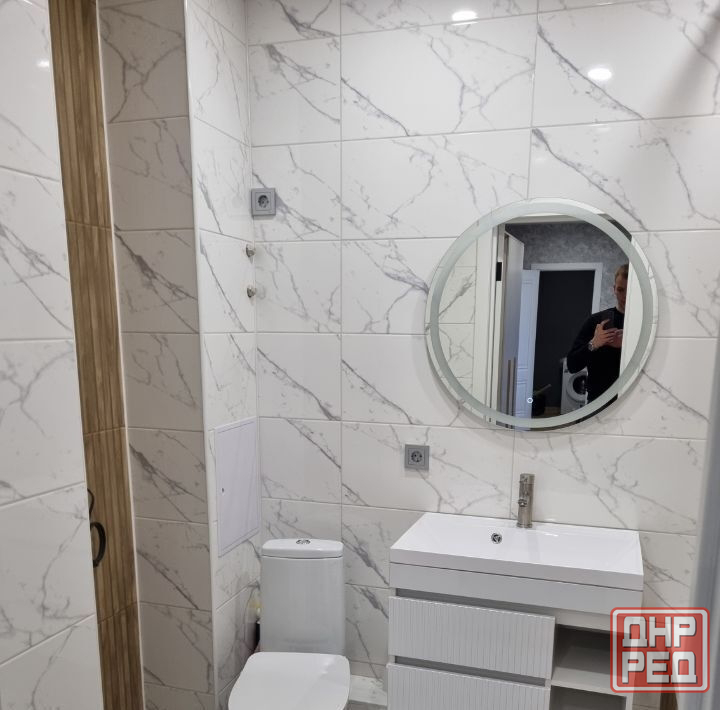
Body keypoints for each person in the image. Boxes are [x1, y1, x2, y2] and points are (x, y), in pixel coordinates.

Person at [566, 264, 628, 403]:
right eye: (620, 289)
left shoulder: (644, 324)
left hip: (635, 398)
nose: (624, 295)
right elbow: (572, 365)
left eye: (629, 290)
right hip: (598, 401)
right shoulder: (596, 321)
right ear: (614, 289)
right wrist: (594, 343)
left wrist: (628, 342)